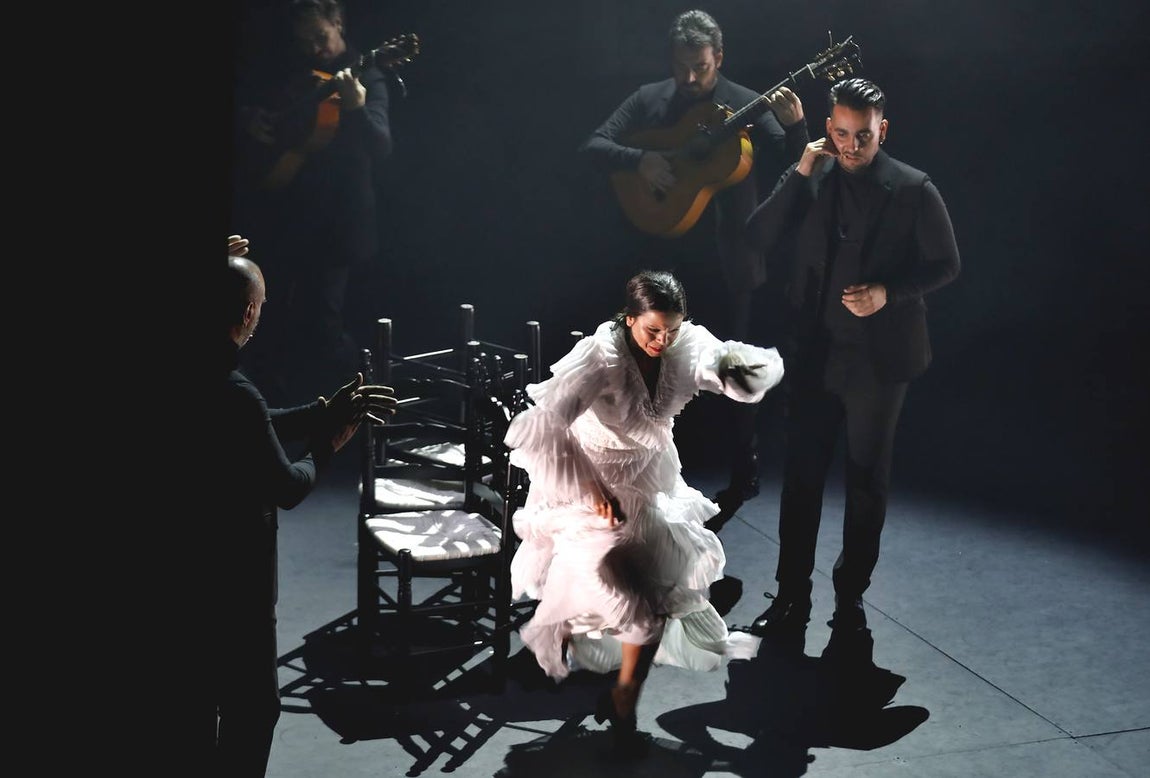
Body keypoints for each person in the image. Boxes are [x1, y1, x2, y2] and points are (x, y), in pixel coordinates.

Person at [506, 270, 784, 753]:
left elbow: (716, 360)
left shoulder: (684, 344)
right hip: (588, 481)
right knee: (604, 587)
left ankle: (624, 697)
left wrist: (735, 369)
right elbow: (547, 428)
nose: (662, 340)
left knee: (651, 598)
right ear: (629, 318)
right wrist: (593, 490)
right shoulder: (602, 358)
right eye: (652, 330)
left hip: (649, 483)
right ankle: (580, 660)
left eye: (671, 330)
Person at [743, 77, 961, 636]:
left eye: (862, 135)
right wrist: (800, 172)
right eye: (840, 133)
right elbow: (758, 235)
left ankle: (851, 595)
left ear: (881, 129)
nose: (850, 145)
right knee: (801, 478)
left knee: (866, 480)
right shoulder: (813, 177)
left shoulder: (914, 188)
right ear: (827, 129)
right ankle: (791, 595)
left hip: (879, 363)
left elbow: (945, 264)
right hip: (817, 353)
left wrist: (889, 292)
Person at [578, 9, 809, 512]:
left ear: (718, 59)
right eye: (682, 67)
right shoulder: (651, 99)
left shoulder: (747, 104)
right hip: (660, 262)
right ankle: (643, 467)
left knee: (730, 368)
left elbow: (797, 169)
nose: (689, 78)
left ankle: (742, 465)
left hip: (729, 262)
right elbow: (593, 144)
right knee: (645, 367)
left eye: (700, 68)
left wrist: (797, 128)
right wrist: (641, 159)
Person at [211, 238, 397, 776]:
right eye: (261, 308)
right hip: (236, 580)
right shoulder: (237, 391)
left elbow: (255, 426)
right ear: (249, 311)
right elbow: (288, 486)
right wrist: (327, 445)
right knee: (252, 709)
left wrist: (320, 410)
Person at [231, 0, 395, 406]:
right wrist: (249, 119)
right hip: (286, 215)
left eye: (320, 37)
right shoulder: (292, 67)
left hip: (339, 223)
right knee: (272, 317)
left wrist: (355, 108)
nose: (315, 49)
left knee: (324, 321)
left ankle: (346, 408)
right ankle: (277, 410)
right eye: (306, 42)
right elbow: (259, 105)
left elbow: (381, 146)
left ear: (338, 23)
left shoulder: (369, 75)